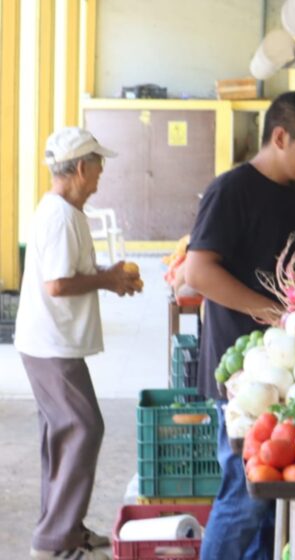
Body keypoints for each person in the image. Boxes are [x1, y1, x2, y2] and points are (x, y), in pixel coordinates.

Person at [184, 91, 295, 560]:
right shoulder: (231, 190)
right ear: (281, 136)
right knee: (244, 497)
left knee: (272, 505)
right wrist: (270, 312)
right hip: (242, 378)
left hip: (286, 369)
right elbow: (198, 272)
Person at [15, 127, 140, 560]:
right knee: (84, 428)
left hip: (48, 342)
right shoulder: (62, 216)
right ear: (82, 167)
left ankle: (64, 527)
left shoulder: (64, 211)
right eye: (99, 165)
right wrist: (108, 279)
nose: (102, 174)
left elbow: (67, 272)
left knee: (62, 432)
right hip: (51, 345)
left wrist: (110, 275)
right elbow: (57, 284)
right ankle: (55, 540)